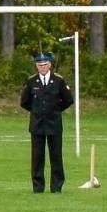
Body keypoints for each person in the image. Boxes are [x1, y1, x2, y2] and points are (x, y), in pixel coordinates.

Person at [19, 51, 74, 193]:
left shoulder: (58, 81)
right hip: (37, 124)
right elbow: (24, 102)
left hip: (54, 124)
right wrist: (36, 111)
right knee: (37, 157)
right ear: (36, 66)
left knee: (56, 156)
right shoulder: (31, 81)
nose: (42, 67)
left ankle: (56, 187)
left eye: (45, 64)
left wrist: (56, 110)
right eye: (39, 65)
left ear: (49, 64)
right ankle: (38, 187)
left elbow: (68, 100)